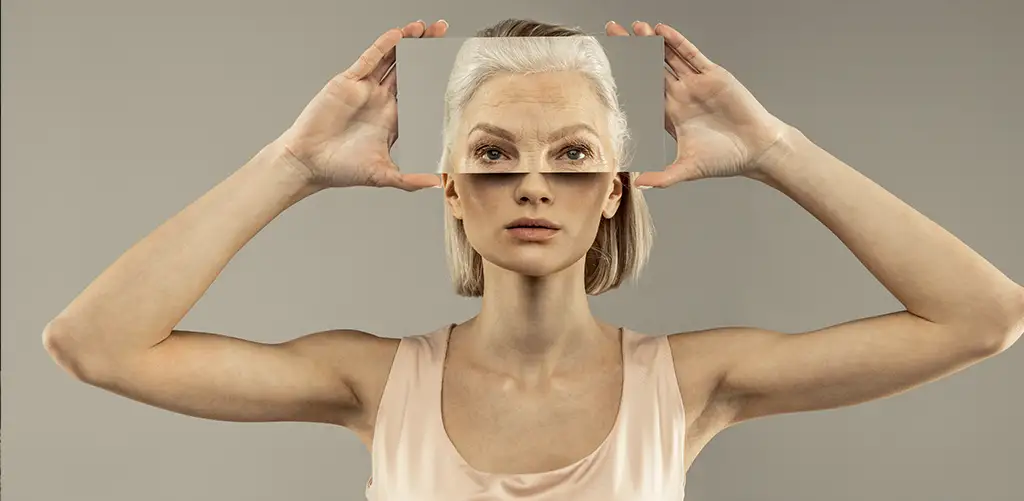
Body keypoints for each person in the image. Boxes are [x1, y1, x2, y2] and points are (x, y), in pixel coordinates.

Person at [41, 17, 1023, 501]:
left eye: (573, 156)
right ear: (452, 189)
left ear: (614, 191)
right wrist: (292, 164)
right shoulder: (373, 380)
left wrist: (773, 152)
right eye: (494, 155)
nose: (533, 184)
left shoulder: (693, 382)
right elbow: (96, 345)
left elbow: (983, 316)